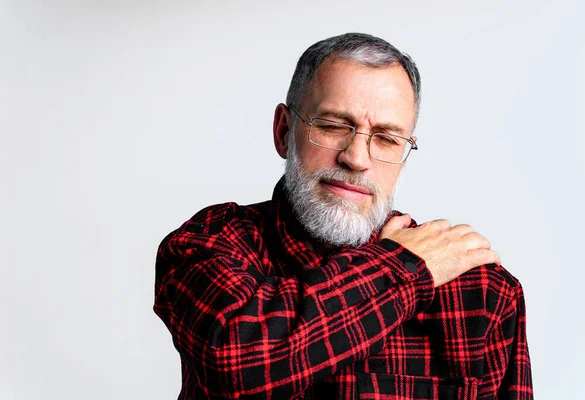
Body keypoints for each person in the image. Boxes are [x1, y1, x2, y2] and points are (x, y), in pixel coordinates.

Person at [154, 33, 533, 400]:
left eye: (386, 138)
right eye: (334, 126)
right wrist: (403, 269)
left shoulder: (481, 292)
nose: (356, 158)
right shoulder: (210, 242)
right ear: (284, 131)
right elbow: (238, 366)